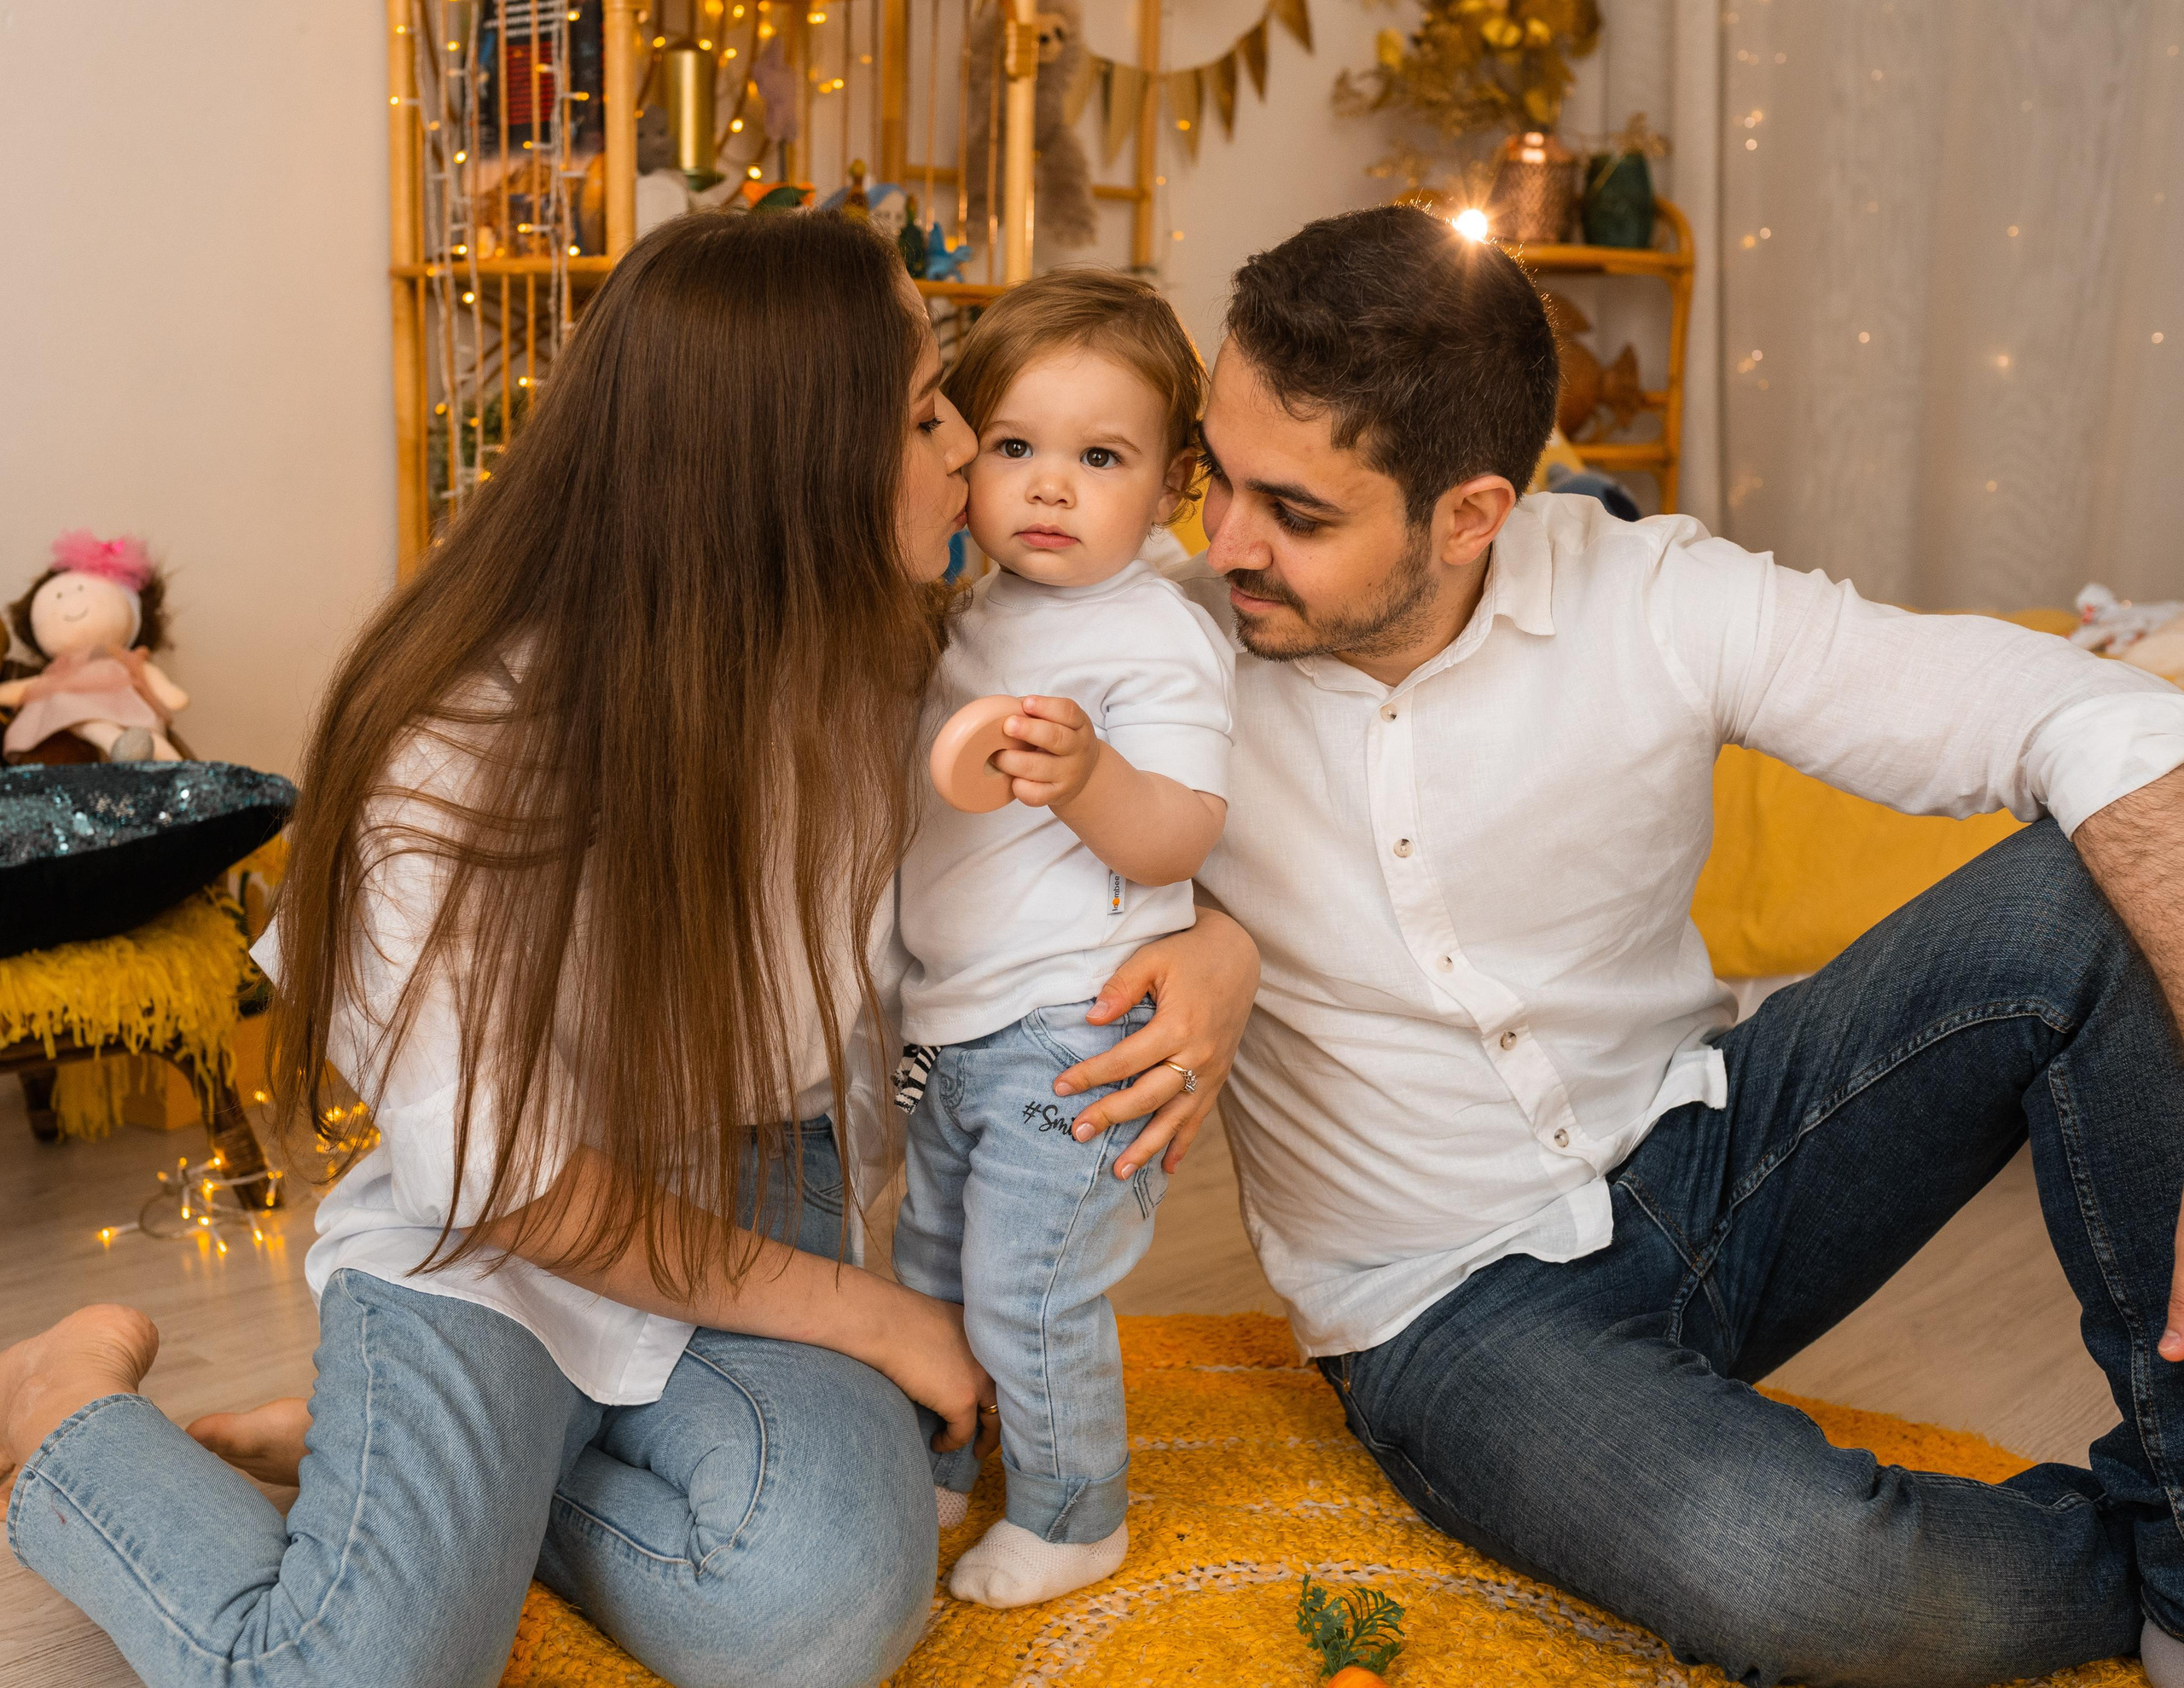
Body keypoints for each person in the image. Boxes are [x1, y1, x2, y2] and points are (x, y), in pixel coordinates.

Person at [0, 213, 1260, 1688]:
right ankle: (65, 1412)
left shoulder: (898, 651)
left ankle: (430, 1476)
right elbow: (503, 1176)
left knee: (818, 1613)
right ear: (791, 464)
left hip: (757, 1182)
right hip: (493, 1226)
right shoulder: (457, 750)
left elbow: (1149, 789)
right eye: (927, 412)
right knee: (352, 1672)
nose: (971, 445)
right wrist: (875, 1312)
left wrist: (1221, 941)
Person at [1062, 204, 2184, 1686]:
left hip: (1715, 1156)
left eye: (1300, 513)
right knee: (1813, 1582)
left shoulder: (1653, 595)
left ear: (1470, 515)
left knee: (2080, 899)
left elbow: (2091, 720)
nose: (1225, 543)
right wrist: (1208, 930)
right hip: (1449, 1313)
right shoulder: (1156, 646)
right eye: (1221, 476)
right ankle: (2135, 1565)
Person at [891, 271, 1231, 1609]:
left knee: (1025, 1283)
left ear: (1170, 485)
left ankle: (1077, 1510)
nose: (1048, 488)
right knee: (927, 1266)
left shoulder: (1152, 636)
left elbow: (1182, 836)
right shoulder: (970, 616)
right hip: (952, 1024)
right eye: (1017, 448)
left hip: (1075, 1032)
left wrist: (1090, 780)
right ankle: (936, 1457)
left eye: (1101, 459)